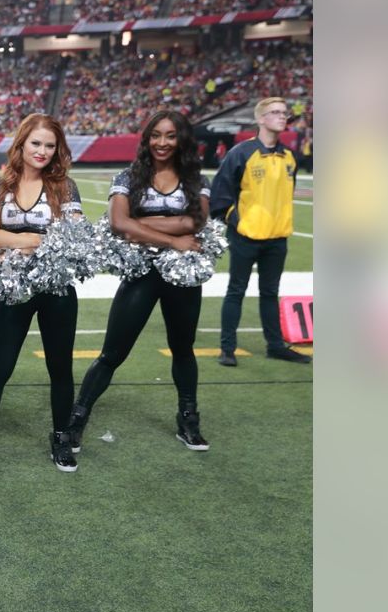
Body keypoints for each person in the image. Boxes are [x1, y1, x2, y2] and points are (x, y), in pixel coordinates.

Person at [68, 110, 212, 453]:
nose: (162, 142)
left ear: (182, 140)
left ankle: (188, 418)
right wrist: (174, 234)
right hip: (141, 273)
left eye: (171, 136)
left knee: (183, 348)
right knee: (112, 353)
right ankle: (75, 419)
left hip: (183, 274)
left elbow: (198, 221)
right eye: (156, 135)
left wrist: (142, 224)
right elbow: (118, 223)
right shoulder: (129, 176)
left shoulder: (195, 178)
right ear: (146, 139)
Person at [0, 114, 84, 476]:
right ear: (21, 144)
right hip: (14, 291)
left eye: (49, 145)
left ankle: (61, 438)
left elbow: (72, 240)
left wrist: (16, 240)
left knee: (60, 369)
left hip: (56, 290)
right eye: (36, 143)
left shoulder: (65, 187)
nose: (42, 151)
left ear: (57, 150)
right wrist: (36, 240)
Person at [211, 97, 311, 366]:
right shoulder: (241, 153)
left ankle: (275, 346)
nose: (282, 117)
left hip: (277, 237)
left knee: (270, 292)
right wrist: (237, 221)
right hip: (246, 235)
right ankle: (227, 348)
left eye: (284, 112)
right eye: (275, 112)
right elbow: (220, 194)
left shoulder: (289, 156)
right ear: (260, 119)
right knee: (236, 291)